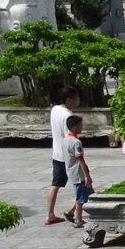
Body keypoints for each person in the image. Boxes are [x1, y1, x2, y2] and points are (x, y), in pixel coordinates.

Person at [44, 87, 81, 226]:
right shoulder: (68, 116)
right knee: (83, 186)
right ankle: (74, 213)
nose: (79, 100)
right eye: (77, 98)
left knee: (55, 184)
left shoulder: (55, 109)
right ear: (69, 99)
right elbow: (70, 139)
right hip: (68, 157)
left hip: (57, 154)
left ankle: (50, 214)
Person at [62, 114, 94, 228]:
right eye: (80, 125)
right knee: (81, 198)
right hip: (78, 173)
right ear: (75, 127)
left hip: (71, 171)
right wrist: (87, 176)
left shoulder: (65, 140)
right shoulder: (76, 142)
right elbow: (81, 159)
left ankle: (70, 212)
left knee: (88, 193)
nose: (82, 127)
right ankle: (78, 219)